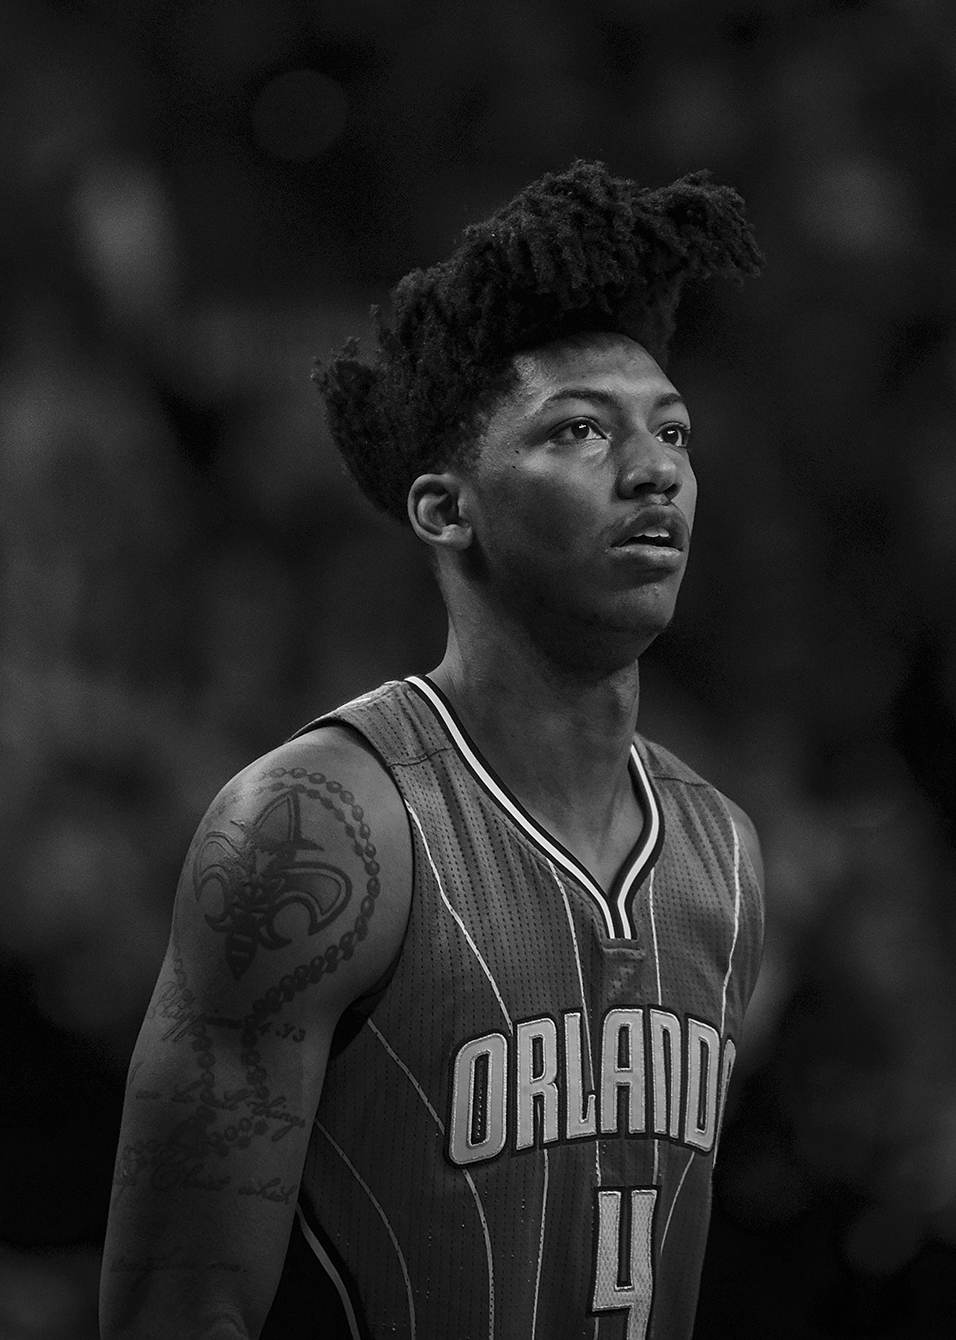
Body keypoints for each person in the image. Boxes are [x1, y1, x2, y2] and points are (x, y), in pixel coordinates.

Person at [100, 162, 771, 1340]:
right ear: (445, 509)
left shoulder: (725, 852)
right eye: (581, 430)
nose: (655, 466)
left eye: (672, 429)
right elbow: (175, 1305)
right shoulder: (317, 828)